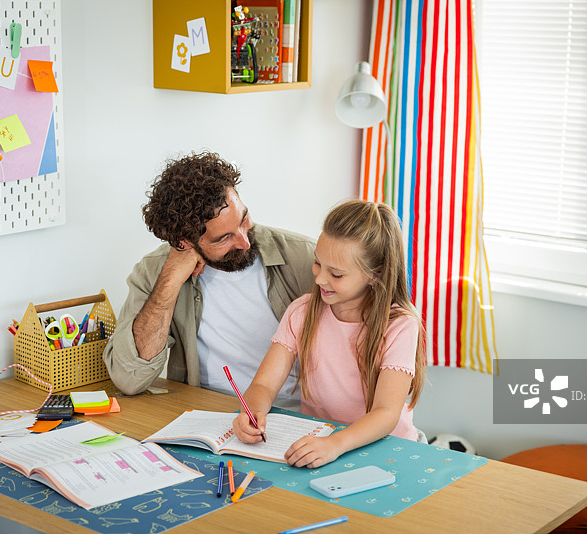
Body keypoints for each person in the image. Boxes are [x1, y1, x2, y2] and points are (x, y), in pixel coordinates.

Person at [103, 151, 315, 410]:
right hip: (205, 415)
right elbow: (129, 380)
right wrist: (170, 280)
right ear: (185, 242)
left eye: (244, 218)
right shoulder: (153, 272)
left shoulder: (304, 258)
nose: (244, 241)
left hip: (294, 414)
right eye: (223, 238)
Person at [232, 199, 426, 468]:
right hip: (324, 445)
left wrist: (335, 444)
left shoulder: (400, 325)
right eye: (317, 264)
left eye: (336, 274)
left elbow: (386, 413)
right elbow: (264, 385)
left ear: (374, 275)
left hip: (386, 448)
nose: (320, 279)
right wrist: (251, 412)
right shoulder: (301, 311)